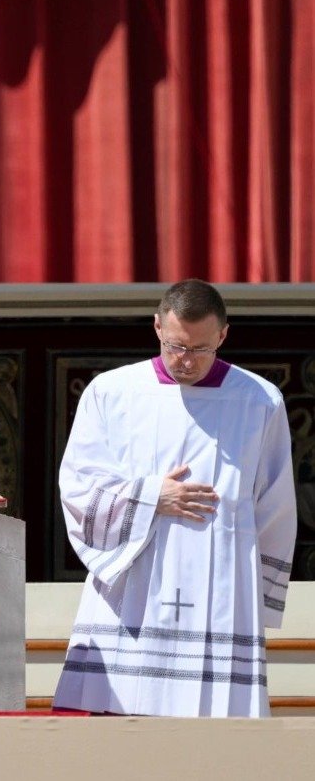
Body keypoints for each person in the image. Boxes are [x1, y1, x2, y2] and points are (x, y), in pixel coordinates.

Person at [53, 279, 297, 718]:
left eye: (200, 349)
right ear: (156, 327)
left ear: (223, 335)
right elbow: (78, 486)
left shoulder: (259, 400)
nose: (185, 361)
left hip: (221, 591)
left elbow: (275, 507)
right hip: (133, 587)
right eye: (175, 346)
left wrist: (256, 599)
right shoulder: (111, 392)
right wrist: (150, 497)